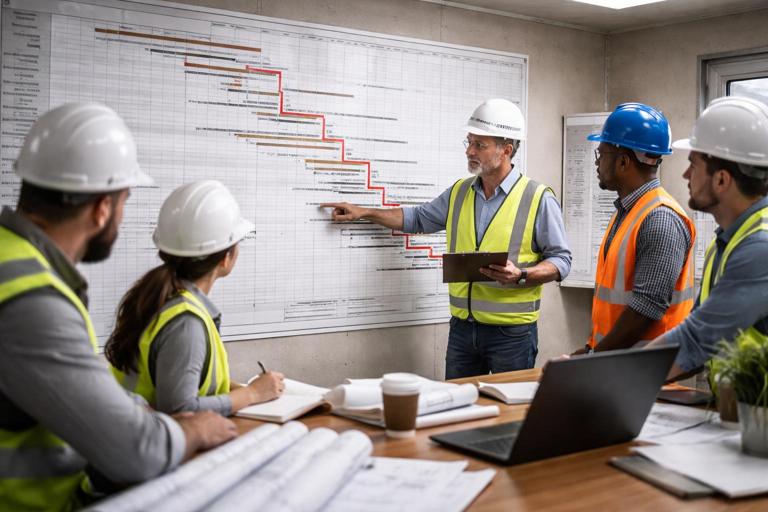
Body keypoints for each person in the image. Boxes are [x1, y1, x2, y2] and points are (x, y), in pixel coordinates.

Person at [0, 103, 237, 511]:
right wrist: (194, 430)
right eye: (125, 199)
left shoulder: (13, 264)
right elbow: (135, 452)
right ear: (102, 208)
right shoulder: (32, 299)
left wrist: (135, 411)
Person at [322, 98, 571, 378]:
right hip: (463, 329)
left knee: (508, 414)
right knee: (457, 410)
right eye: (469, 142)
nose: (469, 151)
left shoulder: (537, 198)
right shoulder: (460, 192)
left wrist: (522, 274)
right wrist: (363, 212)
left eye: (480, 144)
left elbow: (561, 261)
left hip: (511, 335)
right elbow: (418, 218)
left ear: (506, 150)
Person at [106, 180, 285, 415]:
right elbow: (180, 408)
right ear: (226, 258)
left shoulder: (157, 296)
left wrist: (240, 389)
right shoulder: (186, 322)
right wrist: (251, 394)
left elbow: (172, 377)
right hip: (154, 443)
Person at [647, 96, 768, 379]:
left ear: (722, 180)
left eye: (694, 164)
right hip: (743, 410)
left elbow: (695, 340)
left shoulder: (759, 248)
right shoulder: (728, 239)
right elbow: (701, 330)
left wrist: (606, 382)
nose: (686, 174)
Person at [577, 103, 696, 355]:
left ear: (622, 162)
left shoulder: (659, 218)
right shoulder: (629, 211)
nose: (597, 163)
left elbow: (646, 308)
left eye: (602, 154)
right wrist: (591, 348)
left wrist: (592, 358)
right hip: (620, 365)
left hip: (649, 372)